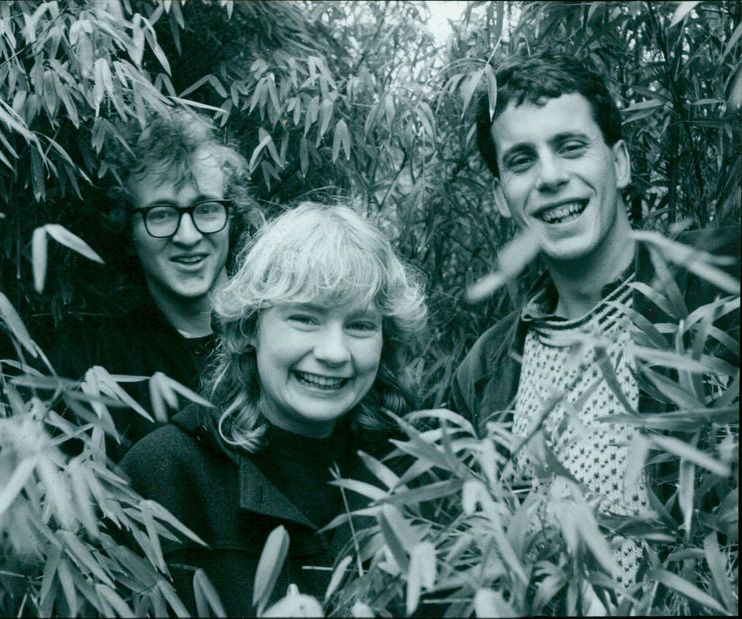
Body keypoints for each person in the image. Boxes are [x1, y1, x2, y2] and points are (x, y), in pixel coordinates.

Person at [452, 51, 739, 594]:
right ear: (501, 198)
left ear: (621, 163)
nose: (551, 177)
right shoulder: (483, 373)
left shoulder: (718, 294)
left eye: (571, 146)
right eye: (521, 161)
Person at [119, 202, 427, 616]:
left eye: (360, 325)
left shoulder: (414, 475)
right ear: (249, 329)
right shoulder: (164, 476)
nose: (334, 353)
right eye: (305, 319)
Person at [50, 108, 262, 462]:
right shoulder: (89, 363)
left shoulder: (277, 337)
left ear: (231, 218)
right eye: (161, 214)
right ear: (128, 232)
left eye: (207, 209)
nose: (189, 236)